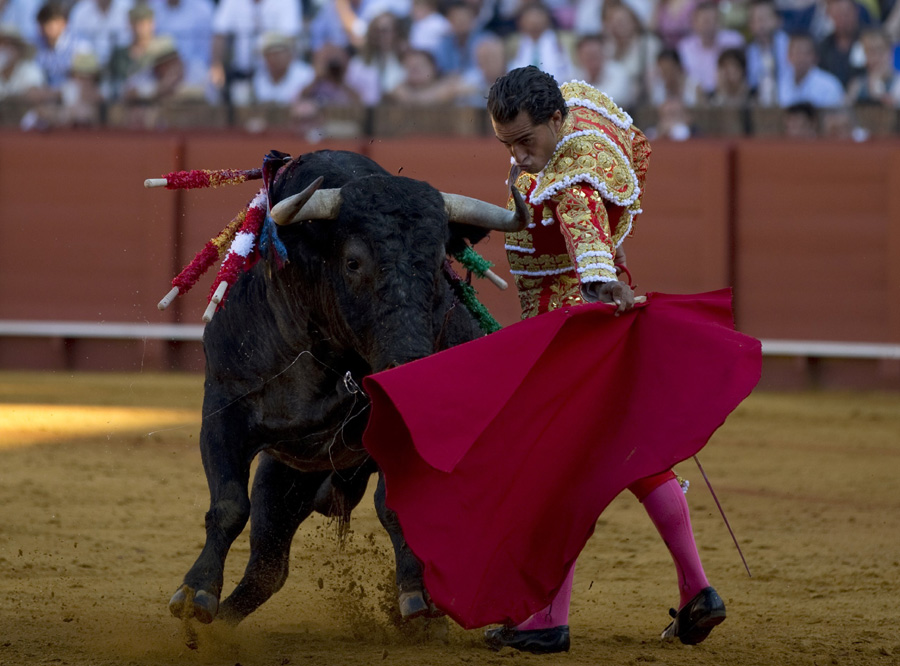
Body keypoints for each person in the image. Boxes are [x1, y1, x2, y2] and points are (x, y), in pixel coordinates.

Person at [482, 66, 725, 654]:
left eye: (525, 141)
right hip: (597, 328)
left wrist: (597, 279)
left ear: (555, 121)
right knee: (636, 457)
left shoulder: (572, 175)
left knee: (556, 471)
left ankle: (548, 619)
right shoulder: (582, 119)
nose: (516, 156)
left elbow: (582, 223)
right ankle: (698, 589)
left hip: (569, 335)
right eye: (505, 143)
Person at [778, 32, 845, 108]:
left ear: (816, 57)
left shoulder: (829, 85)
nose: (800, 58)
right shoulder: (779, 83)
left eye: (805, 53)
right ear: (788, 56)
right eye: (796, 52)